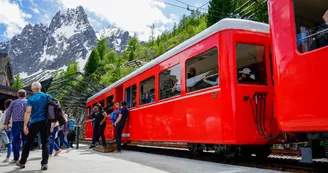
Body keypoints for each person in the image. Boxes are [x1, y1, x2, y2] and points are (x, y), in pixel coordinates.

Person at [16, 82, 51, 170]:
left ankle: (22, 162)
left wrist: (25, 125)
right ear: (40, 88)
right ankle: (44, 163)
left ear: (32, 89)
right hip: (45, 122)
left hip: (35, 122)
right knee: (45, 142)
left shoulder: (31, 99)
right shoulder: (48, 96)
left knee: (28, 142)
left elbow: (28, 112)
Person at [4, 89, 27, 163]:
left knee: (16, 141)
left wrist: (6, 123)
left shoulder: (13, 102)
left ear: (17, 95)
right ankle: (24, 159)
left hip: (16, 123)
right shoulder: (28, 102)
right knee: (25, 141)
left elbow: (8, 113)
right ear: (25, 95)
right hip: (26, 123)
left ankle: (16, 158)